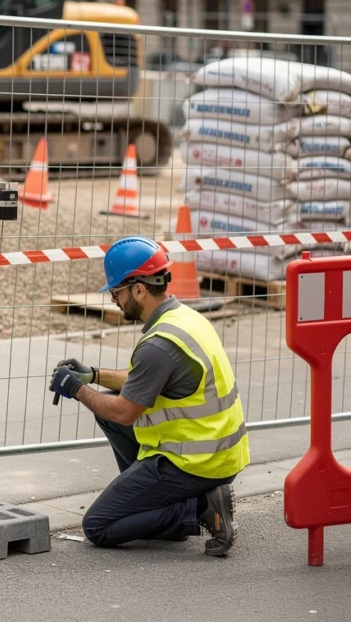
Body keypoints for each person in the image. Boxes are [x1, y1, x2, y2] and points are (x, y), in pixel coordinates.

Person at [48, 236, 250, 557]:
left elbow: (124, 412)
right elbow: (144, 381)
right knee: (104, 409)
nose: (114, 300)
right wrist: (94, 375)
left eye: (117, 292)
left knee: (98, 526)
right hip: (216, 451)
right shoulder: (184, 318)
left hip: (196, 463)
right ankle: (161, 505)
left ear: (139, 289)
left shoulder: (159, 345)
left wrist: (77, 389)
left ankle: (197, 507)